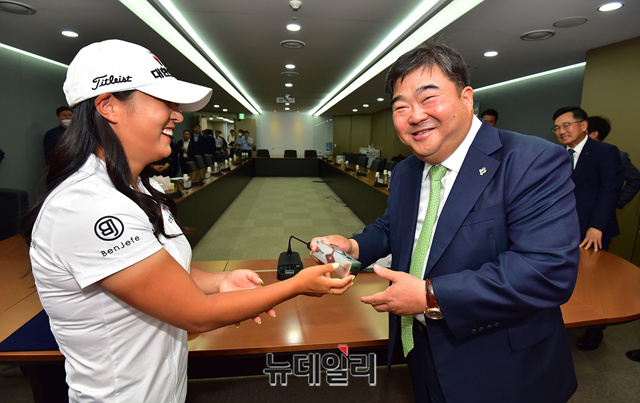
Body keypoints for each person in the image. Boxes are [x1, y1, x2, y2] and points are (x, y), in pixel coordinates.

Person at [23, 39, 352, 403]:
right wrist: (297, 285)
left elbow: (159, 269)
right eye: (165, 102)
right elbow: (197, 315)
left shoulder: (135, 189)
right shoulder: (87, 206)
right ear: (108, 106)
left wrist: (220, 280)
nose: (177, 116)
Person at [311, 42, 579, 402]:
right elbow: (393, 228)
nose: (414, 115)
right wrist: (355, 246)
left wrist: (429, 295)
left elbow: (546, 271)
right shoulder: (406, 171)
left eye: (428, 98)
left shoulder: (532, 161)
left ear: (466, 98)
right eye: (400, 107)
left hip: (501, 364)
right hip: (420, 349)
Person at [553, 106, 623, 351]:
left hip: (592, 231)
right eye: (557, 128)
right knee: (565, 275)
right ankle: (567, 318)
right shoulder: (558, 154)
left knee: (594, 283)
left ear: (583, 126)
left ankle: (596, 330)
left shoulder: (605, 152)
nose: (561, 131)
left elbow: (610, 190)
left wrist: (597, 226)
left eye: (566, 125)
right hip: (562, 229)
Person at [587, 115, 640, 209]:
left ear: (593, 134)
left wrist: (615, 202)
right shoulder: (570, 153)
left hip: (597, 210)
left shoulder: (616, 156)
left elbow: (636, 179)